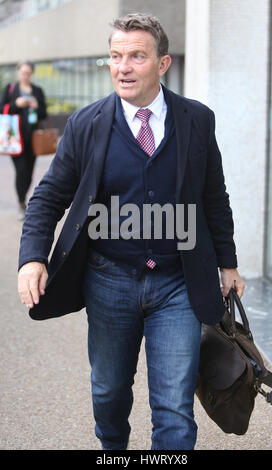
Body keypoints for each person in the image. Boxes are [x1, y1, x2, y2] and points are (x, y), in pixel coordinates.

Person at [17, 13, 245, 450]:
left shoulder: (197, 119)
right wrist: (32, 257)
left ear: (162, 64)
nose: (122, 67)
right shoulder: (86, 124)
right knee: (108, 392)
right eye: (116, 56)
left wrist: (228, 263)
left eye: (136, 56)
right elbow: (48, 196)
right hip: (109, 279)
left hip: (178, 282)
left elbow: (214, 196)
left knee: (175, 407)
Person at [0, 61, 47, 220]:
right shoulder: (10, 89)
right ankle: (21, 204)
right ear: (18, 73)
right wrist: (16, 104)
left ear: (31, 74)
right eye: (23, 72)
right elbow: (2, 109)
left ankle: (23, 199)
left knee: (29, 172)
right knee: (21, 171)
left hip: (33, 138)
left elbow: (43, 113)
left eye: (28, 73)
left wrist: (35, 105)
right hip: (15, 138)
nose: (25, 76)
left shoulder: (37, 91)